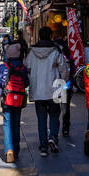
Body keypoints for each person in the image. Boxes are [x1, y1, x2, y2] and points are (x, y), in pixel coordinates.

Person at [25, 25, 65, 155]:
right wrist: (64, 82)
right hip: (54, 89)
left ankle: (43, 146)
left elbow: (27, 68)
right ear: (50, 36)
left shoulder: (31, 51)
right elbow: (63, 69)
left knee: (41, 119)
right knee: (54, 115)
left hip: (37, 90)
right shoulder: (56, 50)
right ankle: (53, 137)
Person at [0, 44, 29, 163]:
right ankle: (16, 150)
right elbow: (26, 83)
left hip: (6, 99)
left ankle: (9, 150)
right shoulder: (23, 68)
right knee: (16, 124)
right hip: (19, 99)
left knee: (7, 123)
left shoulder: (3, 67)